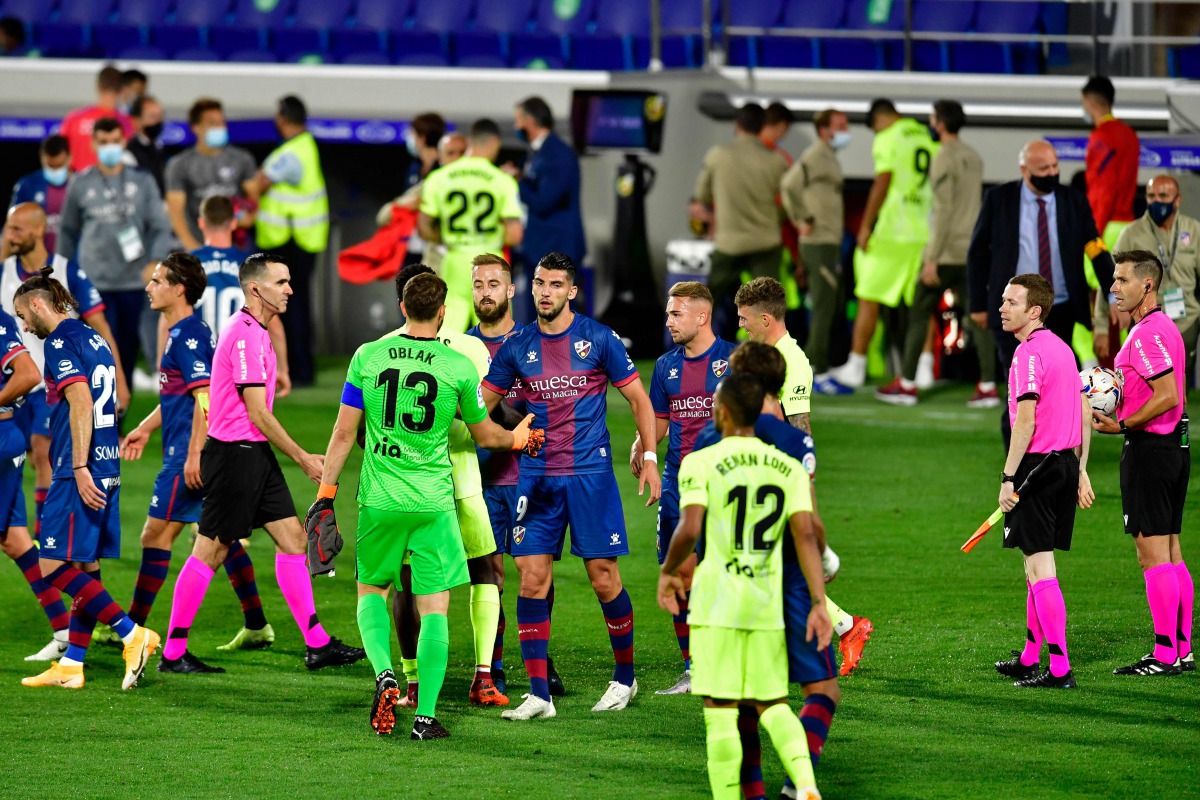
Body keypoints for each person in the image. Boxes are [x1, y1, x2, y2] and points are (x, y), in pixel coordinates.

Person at [311, 271, 540, 738]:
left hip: (379, 499)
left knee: (372, 593)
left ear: (402, 309)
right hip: (434, 501)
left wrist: (325, 496)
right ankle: (426, 717)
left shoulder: (368, 357)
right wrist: (515, 440)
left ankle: (386, 673)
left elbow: (342, 434)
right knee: (435, 607)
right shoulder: (456, 366)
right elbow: (485, 434)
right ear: (442, 313)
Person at [156, 253, 363, 674]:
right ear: (256, 289)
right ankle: (174, 653)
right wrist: (303, 457)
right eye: (281, 282)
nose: (290, 289)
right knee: (209, 552)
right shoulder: (246, 334)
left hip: (252, 455)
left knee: (291, 540)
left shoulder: (258, 331)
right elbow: (257, 413)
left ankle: (317, 644)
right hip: (235, 457)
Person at [481, 251, 660, 720]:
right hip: (536, 477)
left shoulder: (598, 339)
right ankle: (539, 694)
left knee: (604, 579)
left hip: (589, 476)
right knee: (532, 578)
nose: (545, 291)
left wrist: (650, 455)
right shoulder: (518, 346)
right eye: (539, 283)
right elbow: (480, 402)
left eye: (556, 284)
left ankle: (625, 677)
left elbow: (639, 399)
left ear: (572, 291)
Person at [658, 372, 830, 800]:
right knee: (773, 703)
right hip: (766, 605)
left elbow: (689, 526)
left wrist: (668, 569)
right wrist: (819, 601)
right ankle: (805, 784)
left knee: (719, 712)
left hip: (717, 604)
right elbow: (806, 535)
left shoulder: (701, 462)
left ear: (724, 412)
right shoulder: (787, 468)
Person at [119, 252, 274, 650]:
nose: (149, 287)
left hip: (186, 456)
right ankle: (256, 623)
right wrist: (143, 427)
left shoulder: (188, 336)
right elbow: (178, 396)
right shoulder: (185, 332)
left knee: (155, 536)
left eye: (158, 281)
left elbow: (205, 399)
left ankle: (132, 629)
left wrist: (193, 455)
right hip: (195, 449)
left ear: (179, 289)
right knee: (222, 536)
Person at [14, 269, 158, 691]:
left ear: (39, 305)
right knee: (84, 564)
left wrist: (77, 467)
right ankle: (72, 663)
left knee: (52, 566)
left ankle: (133, 634)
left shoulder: (61, 342)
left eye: (24, 315)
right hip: (107, 462)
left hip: (80, 467)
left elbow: (79, 401)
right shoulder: (94, 338)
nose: (24, 325)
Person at [383, 264, 512, 710]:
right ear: (440, 305)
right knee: (487, 572)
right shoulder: (469, 349)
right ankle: (483, 678)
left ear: (402, 303)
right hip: (462, 474)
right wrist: (525, 435)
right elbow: (488, 416)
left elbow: (360, 431)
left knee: (406, 583)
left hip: (405, 485)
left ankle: (414, 681)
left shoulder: (378, 351)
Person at [734, 277, 874, 677]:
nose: (741, 325)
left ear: (765, 318)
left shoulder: (791, 360)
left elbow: (799, 426)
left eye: (745, 319)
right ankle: (846, 627)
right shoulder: (762, 354)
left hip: (777, 476)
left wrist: (797, 479)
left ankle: (827, 636)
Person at [967, 140, 1116, 446]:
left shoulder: (1072, 200)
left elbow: (1095, 246)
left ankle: (1053, 451)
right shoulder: (999, 200)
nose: (1051, 173)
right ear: (1024, 169)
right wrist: (978, 304)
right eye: (1043, 169)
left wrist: (1112, 292)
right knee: (1021, 384)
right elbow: (978, 252)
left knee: (1055, 386)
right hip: (1014, 313)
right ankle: (1017, 461)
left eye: (1055, 167)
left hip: (1058, 310)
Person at [1091, 251, 1193, 675]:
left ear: (1146, 286)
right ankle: (1182, 650)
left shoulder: (1147, 334)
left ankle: (1165, 653)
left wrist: (1123, 425)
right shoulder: (1164, 327)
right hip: (1174, 447)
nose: (1113, 287)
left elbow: (1167, 394)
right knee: (1170, 551)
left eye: (1121, 279)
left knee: (1151, 554)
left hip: (1151, 450)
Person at [633, 281, 736, 695]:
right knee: (679, 572)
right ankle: (695, 668)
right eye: (669, 313)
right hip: (679, 483)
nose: (669, 321)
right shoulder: (665, 366)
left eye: (677, 314)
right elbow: (660, 419)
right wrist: (644, 444)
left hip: (725, 482)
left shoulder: (733, 359)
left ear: (702, 316)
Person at [2, 203, 129, 537]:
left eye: (17, 229)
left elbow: (100, 325)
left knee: (45, 451)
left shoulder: (66, 271)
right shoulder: (3, 271)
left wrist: (122, 380)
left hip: (53, 384)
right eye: (8, 229)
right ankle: (40, 530)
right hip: (16, 385)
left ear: (39, 229)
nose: (10, 236)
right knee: (31, 459)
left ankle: (47, 531)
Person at [992, 274, 1092, 690]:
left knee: (1040, 566)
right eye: (1003, 300)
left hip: (1036, 467)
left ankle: (1060, 669)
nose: (1002, 307)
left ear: (1034, 311)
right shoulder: (1064, 349)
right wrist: (1081, 468)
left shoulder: (1027, 355)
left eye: (1012, 302)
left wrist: (1009, 477)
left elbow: (1026, 421)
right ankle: (1032, 657)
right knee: (1033, 567)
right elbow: (1085, 408)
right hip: (1063, 464)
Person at [876, 99, 997, 408]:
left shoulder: (943, 157)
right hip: (970, 250)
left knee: (918, 313)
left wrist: (931, 257)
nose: (931, 124)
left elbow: (943, 211)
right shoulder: (974, 157)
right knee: (977, 316)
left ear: (940, 123)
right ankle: (987, 386)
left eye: (932, 119)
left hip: (945, 252)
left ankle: (906, 384)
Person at [57, 117, 171, 399]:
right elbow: (67, 232)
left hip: (133, 281)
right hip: (93, 281)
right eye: (103, 142)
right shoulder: (81, 183)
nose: (110, 147)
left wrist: (155, 262)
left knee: (127, 353)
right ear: (94, 144)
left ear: (123, 142)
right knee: (93, 353)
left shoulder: (142, 181)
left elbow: (160, 226)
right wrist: (61, 276)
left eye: (115, 141)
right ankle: (95, 415)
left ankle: (118, 419)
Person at [832, 99, 937, 390]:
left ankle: (856, 364)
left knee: (868, 297)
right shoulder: (927, 135)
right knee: (920, 304)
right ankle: (924, 368)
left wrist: (866, 225)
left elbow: (885, 179)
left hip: (893, 231)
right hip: (924, 232)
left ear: (879, 119)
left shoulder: (887, 137)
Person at [467, 251, 535, 694]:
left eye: (494, 284)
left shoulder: (533, 341)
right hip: (482, 479)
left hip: (529, 474)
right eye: (478, 284)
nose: (486, 292)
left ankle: (538, 661)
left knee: (535, 573)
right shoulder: (460, 347)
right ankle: (495, 664)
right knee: (489, 572)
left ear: (510, 290)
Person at [0, 303, 71, 662]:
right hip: (7, 436)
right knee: (15, 540)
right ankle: (65, 630)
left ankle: (123, 627)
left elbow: (28, 374)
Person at [691, 104, 790, 340]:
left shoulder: (718, 155)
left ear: (738, 125)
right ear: (762, 127)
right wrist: (774, 220)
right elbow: (789, 202)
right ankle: (770, 354)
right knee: (769, 304)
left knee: (707, 300)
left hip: (729, 243)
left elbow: (702, 197)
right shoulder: (777, 160)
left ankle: (695, 349)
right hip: (766, 241)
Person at [418, 118, 524, 333]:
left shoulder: (439, 178)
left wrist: (447, 238)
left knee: (448, 334)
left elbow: (424, 228)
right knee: (496, 336)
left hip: (455, 259)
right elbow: (514, 235)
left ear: (470, 142)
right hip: (491, 260)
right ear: (494, 143)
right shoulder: (502, 181)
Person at [254, 95, 327, 388]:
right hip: (299, 239)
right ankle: (300, 367)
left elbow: (259, 183)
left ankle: (298, 370)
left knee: (289, 306)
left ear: (283, 118)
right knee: (295, 305)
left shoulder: (293, 152)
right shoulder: (305, 147)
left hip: (292, 241)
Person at [1094, 176, 1200, 377]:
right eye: (1151, 196)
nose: (1156, 201)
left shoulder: (1194, 231)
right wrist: (1100, 326)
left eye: (1163, 196)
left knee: (1179, 386)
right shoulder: (1132, 233)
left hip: (1186, 323)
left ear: (1177, 200)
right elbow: (1111, 279)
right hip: (1144, 325)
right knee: (1145, 385)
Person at [185, 196, 289, 394]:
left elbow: (172, 319)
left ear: (201, 222)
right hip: (240, 361)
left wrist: (162, 365)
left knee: (199, 420)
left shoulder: (188, 264)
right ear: (234, 223)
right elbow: (273, 323)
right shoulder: (251, 267)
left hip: (196, 360)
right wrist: (283, 369)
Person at [782, 109, 851, 396]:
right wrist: (801, 218)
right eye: (841, 125)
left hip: (829, 243)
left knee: (829, 307)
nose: (846, 130)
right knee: (822, 310)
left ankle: (819, 368)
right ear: (824, 129)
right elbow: (788, 185)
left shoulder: (828, 156)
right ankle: (812, 373)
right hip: (818, 244)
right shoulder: (815, 155)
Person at [165, 97, 260, 251]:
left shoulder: (242, 159)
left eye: (222, 122)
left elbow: (254, 195)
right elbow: (175, 211)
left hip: (236, 247)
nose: (219, 127)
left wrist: (248, 219)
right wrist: (192, 248)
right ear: (196, 127)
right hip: (199, 245)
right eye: (212, 123)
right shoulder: (180, 164)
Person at [507, 96, 586, 270]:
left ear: (529, 121)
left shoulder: (557, 154)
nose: (515, 127)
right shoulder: (537, 152)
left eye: (517, 121)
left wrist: (516, 181)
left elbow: (544, 201)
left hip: (556, 249)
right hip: (539, 247)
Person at [1081, 76, 1139, 247]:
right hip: (1127, 225)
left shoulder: (1102, 137)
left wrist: (1092, 230)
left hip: (1107, 227)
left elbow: (1103, 189)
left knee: (1093, 274)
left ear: (1091, 101)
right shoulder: (1130, 135)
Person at [59, 65, 133, 173]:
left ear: (98, 87)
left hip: (76, 183)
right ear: (121, 89)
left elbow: (61, 156)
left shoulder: (74, 118)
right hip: (110, 183)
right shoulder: (126, 123)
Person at [7, 134, 71, 257]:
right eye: (51, 166)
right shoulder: (27, 185)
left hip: (72, 262)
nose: (55, 171)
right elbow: (10, 226)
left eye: (59, 166)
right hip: (36, 261)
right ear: (42, 158)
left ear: (69, 158)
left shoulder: (81, 185)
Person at [125, 94, 166, 196]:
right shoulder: (128, 152)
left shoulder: (161, 148)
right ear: (136, 121)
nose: (158, 121)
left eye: (160, 116)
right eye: (152, 117)